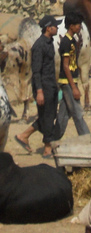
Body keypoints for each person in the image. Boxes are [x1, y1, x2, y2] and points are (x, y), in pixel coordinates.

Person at [15, 16, 61, 157]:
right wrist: (39, 91)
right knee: (47, 116)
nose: (57, 28)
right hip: (43, 86)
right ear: (48, 28)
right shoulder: (39, 46)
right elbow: (36, 71)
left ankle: (24, 135)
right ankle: (47, 147)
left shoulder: (49, 42)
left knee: (50, 115)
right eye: (55, 26)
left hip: (51, 84)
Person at [56, 12, 90, 138]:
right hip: (67, 83)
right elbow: (65, 66)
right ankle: (86, 139)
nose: (79, 27)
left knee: (63, 116)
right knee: (77, 112)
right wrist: (74, 87)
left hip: (70, 81)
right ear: (71, 26)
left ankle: (53, 140)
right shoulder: (66, 42)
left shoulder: (72, 40)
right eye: (78, 25)